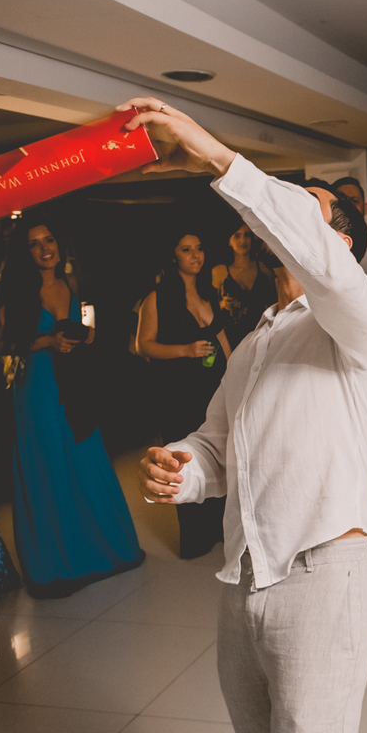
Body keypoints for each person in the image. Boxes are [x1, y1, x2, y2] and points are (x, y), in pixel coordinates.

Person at [127, 95, 367, 733]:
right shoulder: (254, 340)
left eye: (305, 207)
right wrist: (182, 466)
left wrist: (217, 157)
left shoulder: (365, 320)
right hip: (244, 573)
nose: (283, 213)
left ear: (339, 247)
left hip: (324, 573)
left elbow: (325, 267)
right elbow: (219, 445)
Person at [0, 219, 144, 598]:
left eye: (49, 240)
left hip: (75, 385)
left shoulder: (69, 284)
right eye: (34, 243)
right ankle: (58, 564)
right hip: (38, 389)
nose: (45, 248)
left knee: (85, 460)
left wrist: (86, 334)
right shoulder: (16, 289)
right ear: (25, 252)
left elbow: (73, 329)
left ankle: (102, 551)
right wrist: (45, 342)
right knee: (50, 467)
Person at [137, 227, 233, 559]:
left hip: (214, 389)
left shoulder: (208, 294)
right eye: (186, 249)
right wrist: (186, 350)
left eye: (199, 248)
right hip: (177, 392)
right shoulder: (157, 297)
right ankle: (196, 538)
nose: (195, 255)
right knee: (185, 459)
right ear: (174, 256)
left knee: (220, 454)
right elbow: (144, 345)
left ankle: (222, 529)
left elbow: (223, 340)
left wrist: (237, 376)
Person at [212, 223, 276, 350]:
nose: (243, 241)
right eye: (237, 236)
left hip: (259, 337)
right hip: (231, 340)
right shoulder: (220, 272)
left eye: (247, 235)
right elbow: (210, 309)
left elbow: (273, 302)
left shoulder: (263, 269)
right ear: (229, 241)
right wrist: (222, 304)